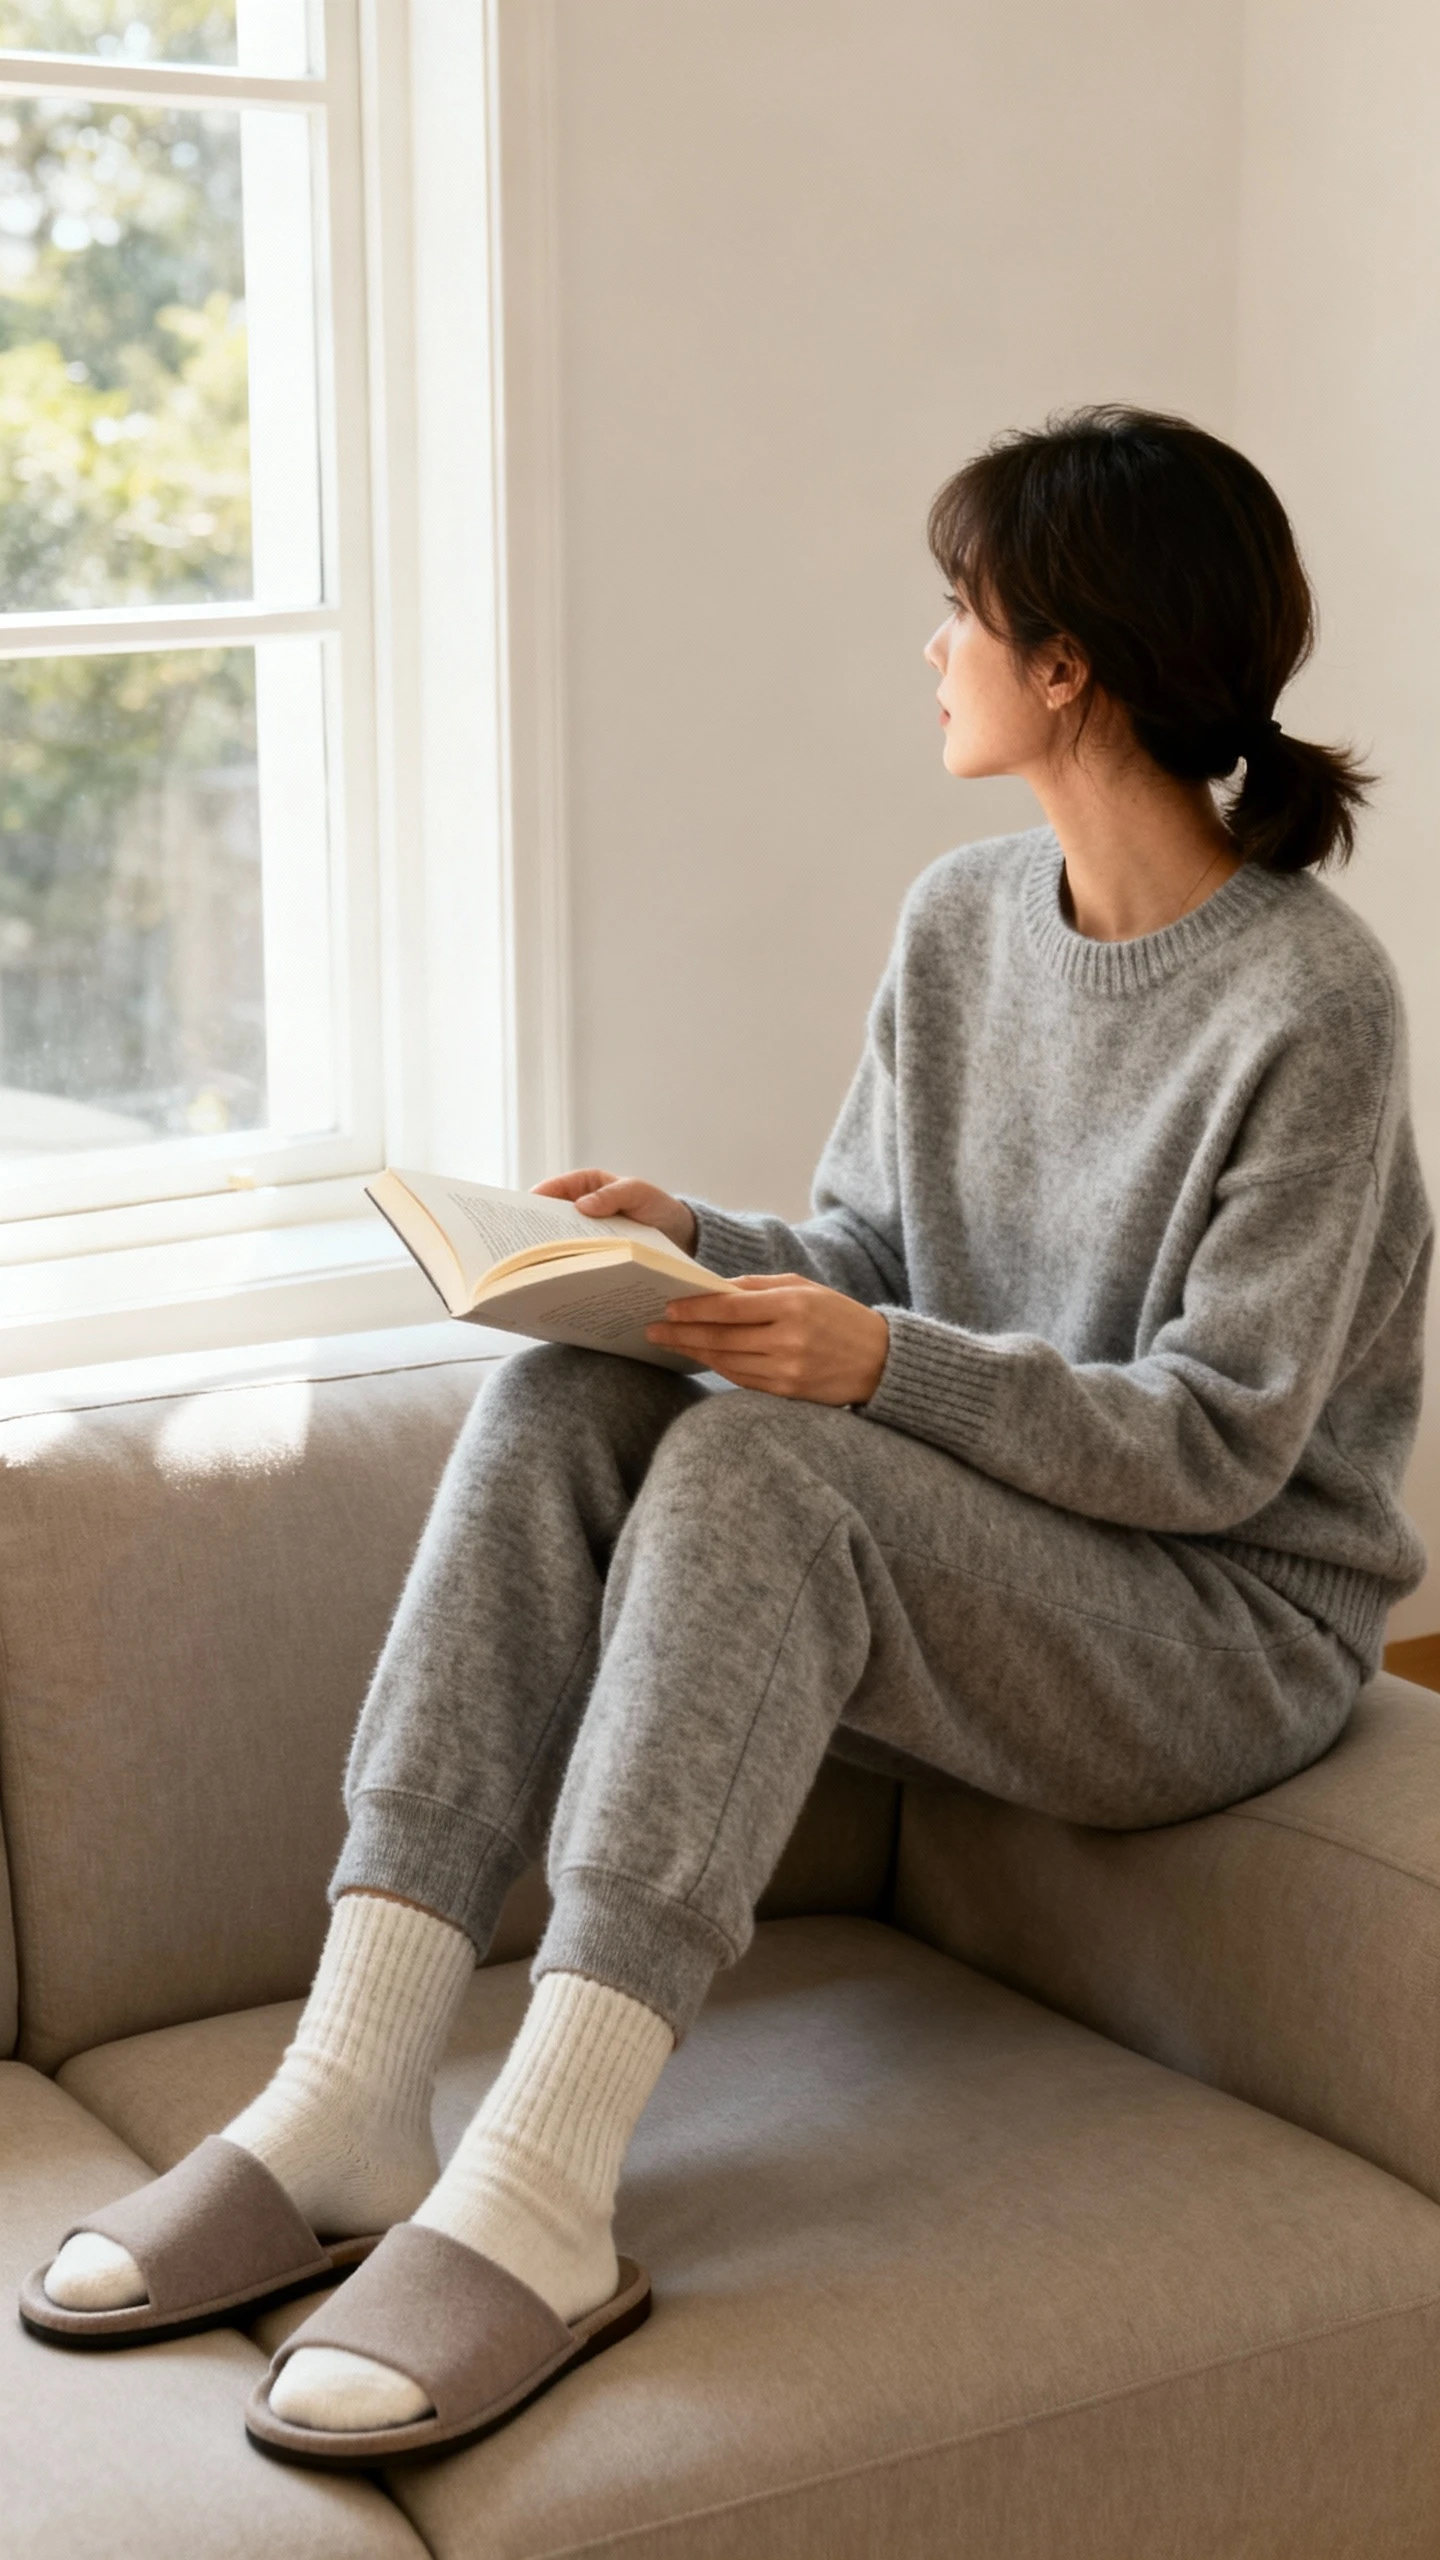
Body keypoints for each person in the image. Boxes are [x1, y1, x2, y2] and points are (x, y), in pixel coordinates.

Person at [25, 406, 1430, 2467]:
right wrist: (693, 1248)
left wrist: (866, 1363)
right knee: (576, 1380)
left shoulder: (1312, 1000)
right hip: (1022, 1533)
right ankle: (345, 2092)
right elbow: (880, 1256)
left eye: (961, 609)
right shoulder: (963, 918)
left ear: (1071, 663)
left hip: (1219, 1630)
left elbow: (1219, 1446)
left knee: (769, 1463)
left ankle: (545, 2192)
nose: (930, 648)